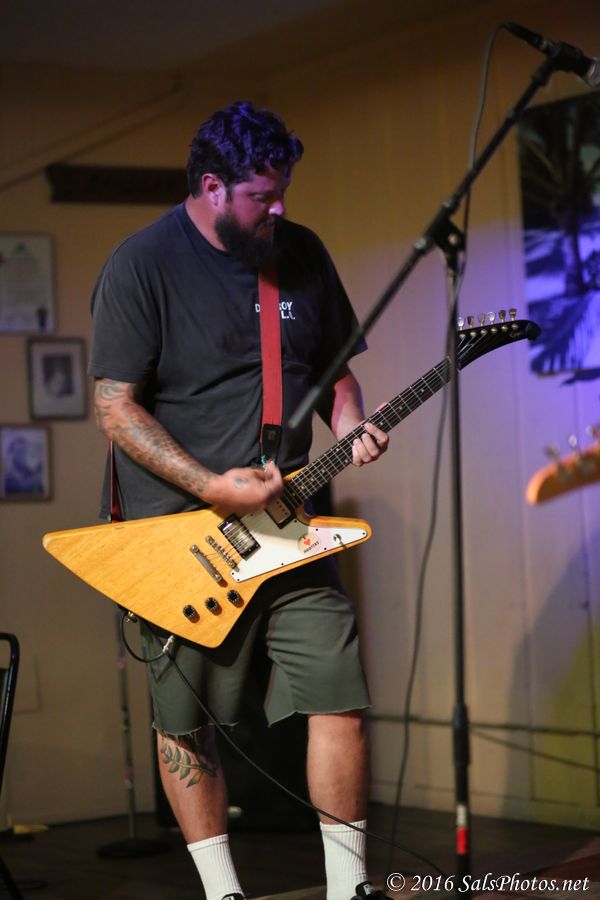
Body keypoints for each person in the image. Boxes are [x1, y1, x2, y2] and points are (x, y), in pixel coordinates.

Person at [89, 100, 390, 900]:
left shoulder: (300, 253)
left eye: (284, 191)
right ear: (213, 188)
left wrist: (351, 424)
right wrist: (210, 486)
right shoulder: (142, 264)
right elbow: (115, 407)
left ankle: (349, 887)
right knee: (187, 725)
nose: (279, 208)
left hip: (289, 522)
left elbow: (337, 374)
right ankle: (222, 892)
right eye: (263, 195)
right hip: (182, 536)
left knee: (339, 692)